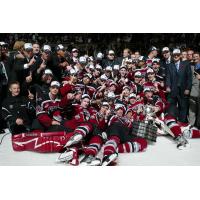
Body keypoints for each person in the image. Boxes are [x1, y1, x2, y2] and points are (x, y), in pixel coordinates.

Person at [165, 49, 192, 123]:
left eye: (177, 54)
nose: (176, 56)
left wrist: (188, 88)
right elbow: (168, 77)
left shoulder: (186, 64)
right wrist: (167, 86)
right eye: (174, 55)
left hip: (183, 90)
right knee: (171, 107)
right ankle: (172, 123)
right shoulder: (169, 65)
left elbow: (189, 77)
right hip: (173, 90)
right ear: (172, 56)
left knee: (183, 107)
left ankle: (182, 123)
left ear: (180, 55)